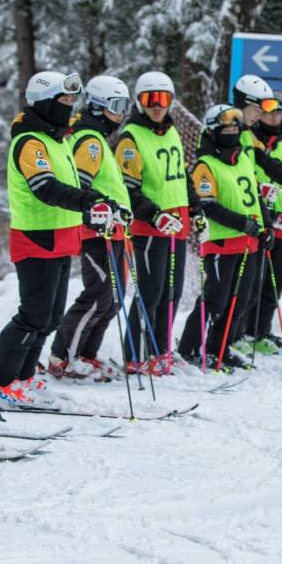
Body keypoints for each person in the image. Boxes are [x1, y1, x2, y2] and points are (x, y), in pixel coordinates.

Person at [0, 71, 124, 406]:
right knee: (32, 315)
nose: (70, 106)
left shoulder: (58, 140)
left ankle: (24, 377)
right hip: (37, 237)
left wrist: (98, 205)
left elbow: (75, 185)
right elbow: (45, 188)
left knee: (49, 318)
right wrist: (88, 200)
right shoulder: (30, 142)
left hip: (62, 237)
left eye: (71, 100)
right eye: (63, 101)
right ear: (45, 103)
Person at [48, 75, 135, 380]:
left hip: (114, 230)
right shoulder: (90, 140)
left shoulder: (97, 137)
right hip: (97, 231)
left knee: (113, 295)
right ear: (98, 106)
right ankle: (63, 356)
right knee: (100, 293)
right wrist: (99, 214)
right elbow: (80, 184)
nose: (121, 114)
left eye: (125, 107)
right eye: (116, 106)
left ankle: (87, 354)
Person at [177, 104, 266, 371]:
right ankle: (190, 348)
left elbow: (255, 197)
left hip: (248, 243)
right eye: (225, 129)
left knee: (241, 301)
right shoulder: (206, 165)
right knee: (215, 299)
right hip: (221, 242)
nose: (231, 133)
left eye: (235, 128)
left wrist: (266, 226)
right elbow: (209, 205)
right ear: (214, 131)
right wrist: (242, 223)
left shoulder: (243, 159)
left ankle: (219, 348)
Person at [117, 71, 190, 377]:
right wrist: (154, 214)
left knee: (173, 290)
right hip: (151, 226)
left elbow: (181, 177)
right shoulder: (131, 138)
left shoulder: (171, 132)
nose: (157, 106)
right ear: (139, 101)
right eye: (150, 99)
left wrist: (195, 211)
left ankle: (160, 350)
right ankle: (135, 352)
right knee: (151, 290)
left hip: (178, 221)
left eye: (164, 99)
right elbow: (127, 189)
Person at [241, 95, 282, 356]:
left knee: (274, 284)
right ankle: (243, 331)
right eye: (270, 113)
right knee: (253, 282)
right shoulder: (252, 144)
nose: (276, 119)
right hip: (260, 222)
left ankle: (260, 331)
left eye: (280, 114)